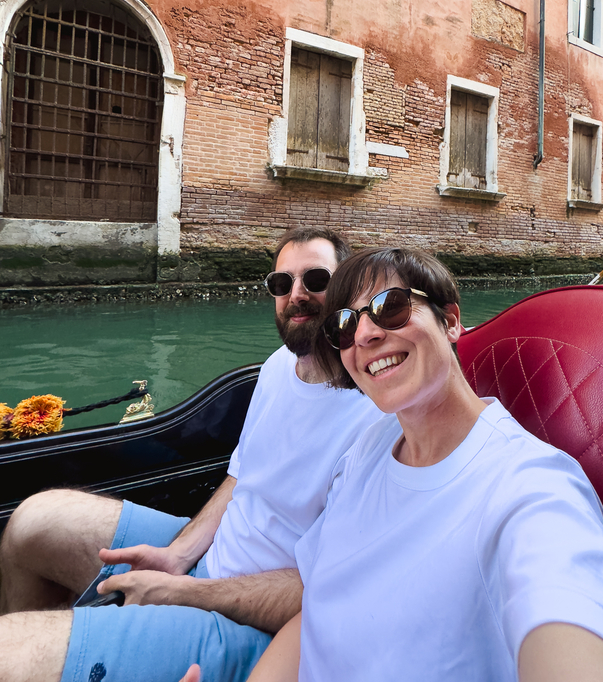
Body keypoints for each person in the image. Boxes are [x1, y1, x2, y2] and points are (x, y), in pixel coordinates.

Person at [243, 246, 603, 682]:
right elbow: (317, 610)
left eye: (390, 308)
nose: (363, 335)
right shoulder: (368, 448)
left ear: (451, 321)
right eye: (345, 324)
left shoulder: (532, 491)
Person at [0, 228, 382, 682]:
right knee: (32, 522)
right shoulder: (278, 366)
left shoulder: (377, 418)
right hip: (207, 562)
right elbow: (241, 478)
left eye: (315, 279)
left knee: (9, 654)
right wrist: (179, 555)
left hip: (259, 624)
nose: (296, 295)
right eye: (281, 284)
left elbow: (327, 591)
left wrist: (185, 593)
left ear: (348, 290)